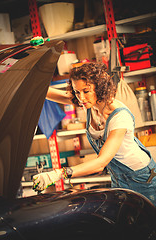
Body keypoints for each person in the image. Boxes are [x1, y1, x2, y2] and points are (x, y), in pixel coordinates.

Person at [33, 62, 156, 206]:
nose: (81, 98)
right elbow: (52, 93)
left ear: (99, 87)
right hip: (118, 178)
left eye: (86, 91)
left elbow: (101, 163)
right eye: (77, 92)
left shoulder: (119, 116)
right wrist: (30, 86)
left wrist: (57, 174)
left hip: (142, 178)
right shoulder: (89, 103)